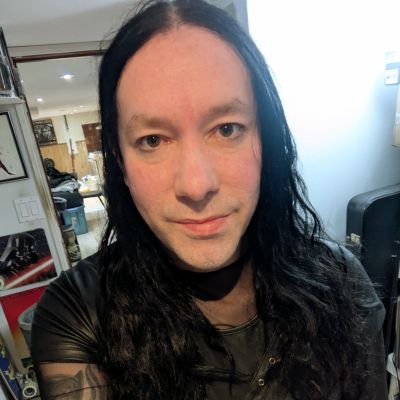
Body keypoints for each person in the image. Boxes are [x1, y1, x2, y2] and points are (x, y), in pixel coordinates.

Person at [31, 1, 387, 399]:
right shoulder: (79, 313)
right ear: (120, 160)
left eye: (227, 129)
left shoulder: (340, 281)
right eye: (152, 140)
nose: (197, 185)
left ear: (265, 138)